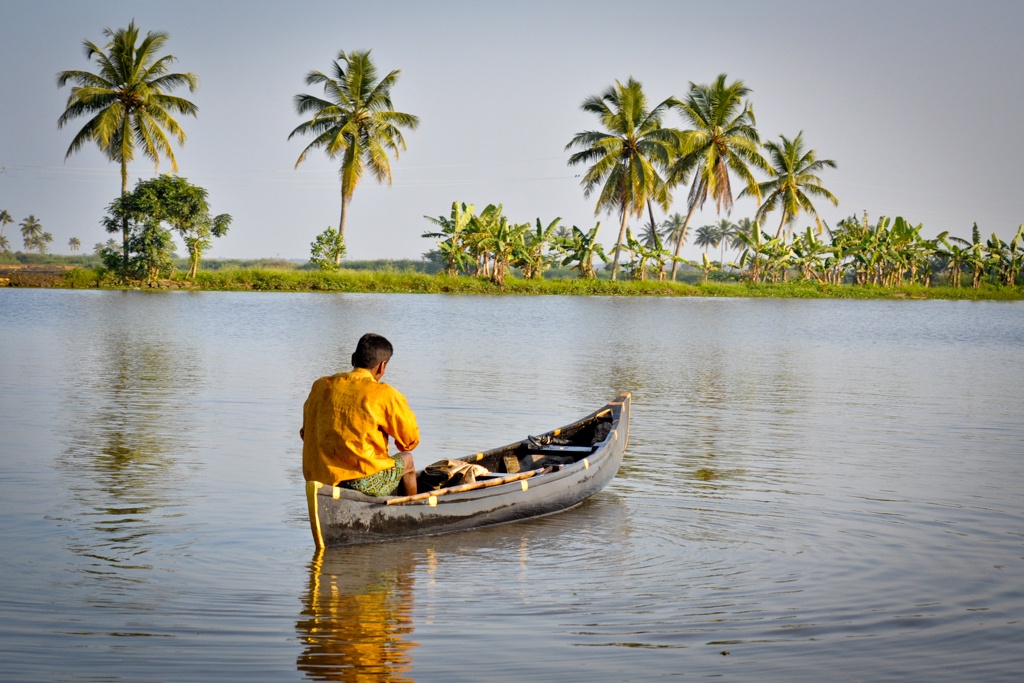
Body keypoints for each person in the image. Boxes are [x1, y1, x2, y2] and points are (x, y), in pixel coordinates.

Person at [300, 333, 419, 496]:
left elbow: (305, 433)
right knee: (408, 460)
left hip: (320, 478)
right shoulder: (384, 394)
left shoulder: (320, 386)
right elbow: (409, 442)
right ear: (382, 366)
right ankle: (411, 510)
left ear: (353, 359)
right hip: (361, 481)